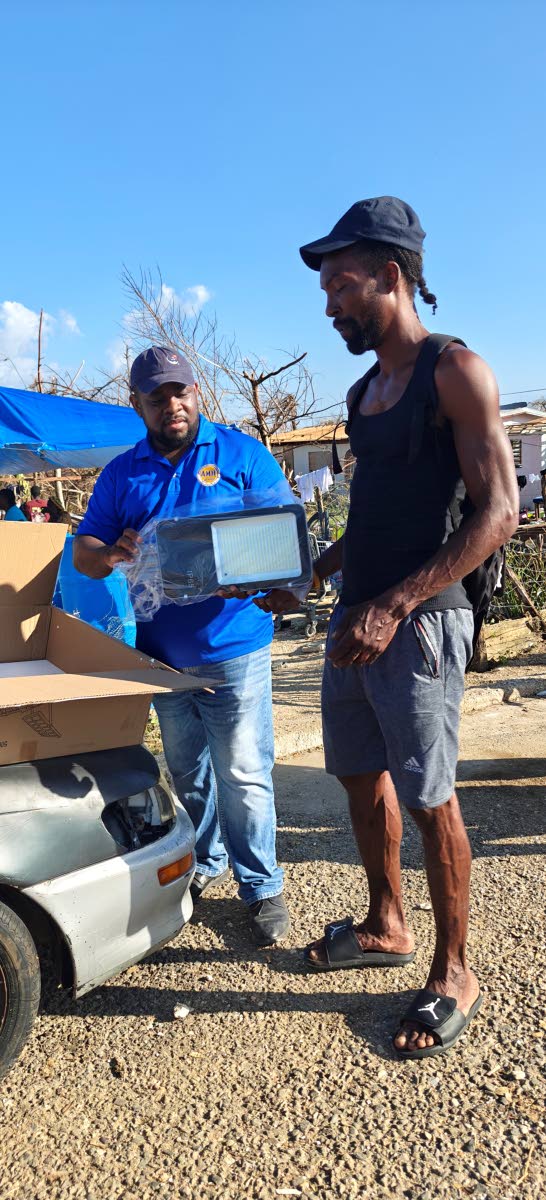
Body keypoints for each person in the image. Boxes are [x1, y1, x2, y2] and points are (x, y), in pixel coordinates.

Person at [258, 197, 519, 1057]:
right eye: (326, 286)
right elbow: (371, 515)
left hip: (420, 622)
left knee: (429, 793)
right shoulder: (365, 391)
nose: (329, 302)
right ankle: (385, 922)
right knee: (361, 781)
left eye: (341, 282)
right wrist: (316, 574)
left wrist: (395, 602)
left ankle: (453, 969)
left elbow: (498, 514)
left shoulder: (458, 372)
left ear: (393, 276)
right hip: (355, 618)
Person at [73, 345, 290, 946]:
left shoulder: (242, 455)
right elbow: (84, 550)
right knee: (189, 774)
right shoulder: (123, 473)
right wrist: (109, 555)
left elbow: (286, 535)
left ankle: (262, 884)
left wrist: (268, 570)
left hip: (234, 648)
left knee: (243, 774)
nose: (172, 403)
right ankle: (209, 861)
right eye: (157, 394)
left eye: (181, 391)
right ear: (137, 403)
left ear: (197, 392)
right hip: (161, 661)